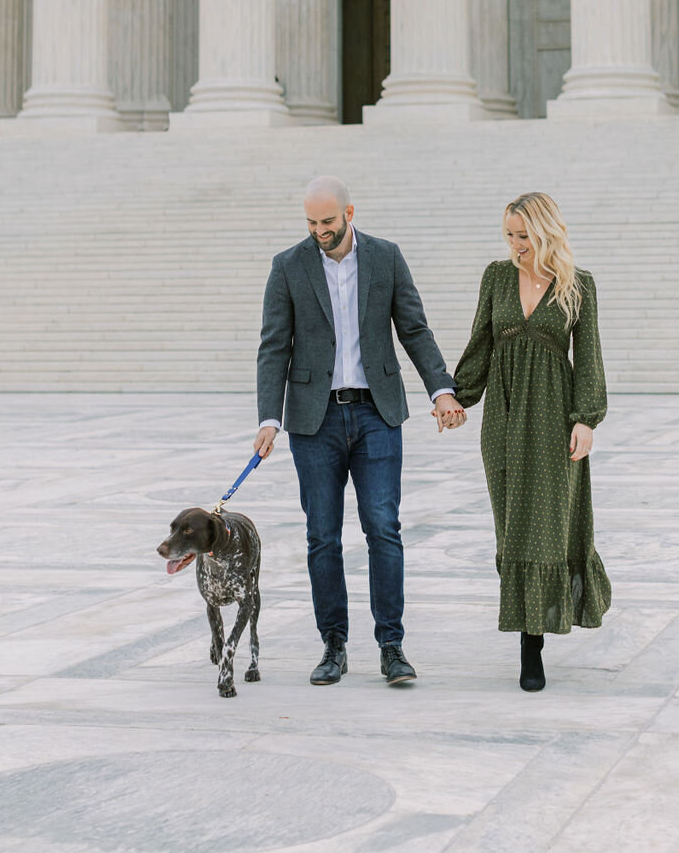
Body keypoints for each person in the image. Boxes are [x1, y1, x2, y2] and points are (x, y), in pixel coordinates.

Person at [253, 176, 466, 686]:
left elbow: (414, 328)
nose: (319, 232)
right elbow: (273, 346)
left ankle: (391, 645)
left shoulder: (386, 257)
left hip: (377, 414)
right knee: (322, 537)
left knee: (383, 530)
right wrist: (268, 418)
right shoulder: (288, 265)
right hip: (314, 420)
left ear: (350, 213)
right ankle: (333, 644)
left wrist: (442, 391)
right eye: (310, 222)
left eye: (327, 222)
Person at [453, 191, 610, 691]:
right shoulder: (496, 277)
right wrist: (457, 398)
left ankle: (532, 644)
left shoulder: (576, 285)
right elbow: (480, 342)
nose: (515, 245)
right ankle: (527, 627)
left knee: (546, 527)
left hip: (551, 422)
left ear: (545, 233)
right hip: (500, 421)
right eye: (509, 235)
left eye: (523, 236)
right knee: (511, 528)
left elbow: (588, 359)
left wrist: (585, 419)